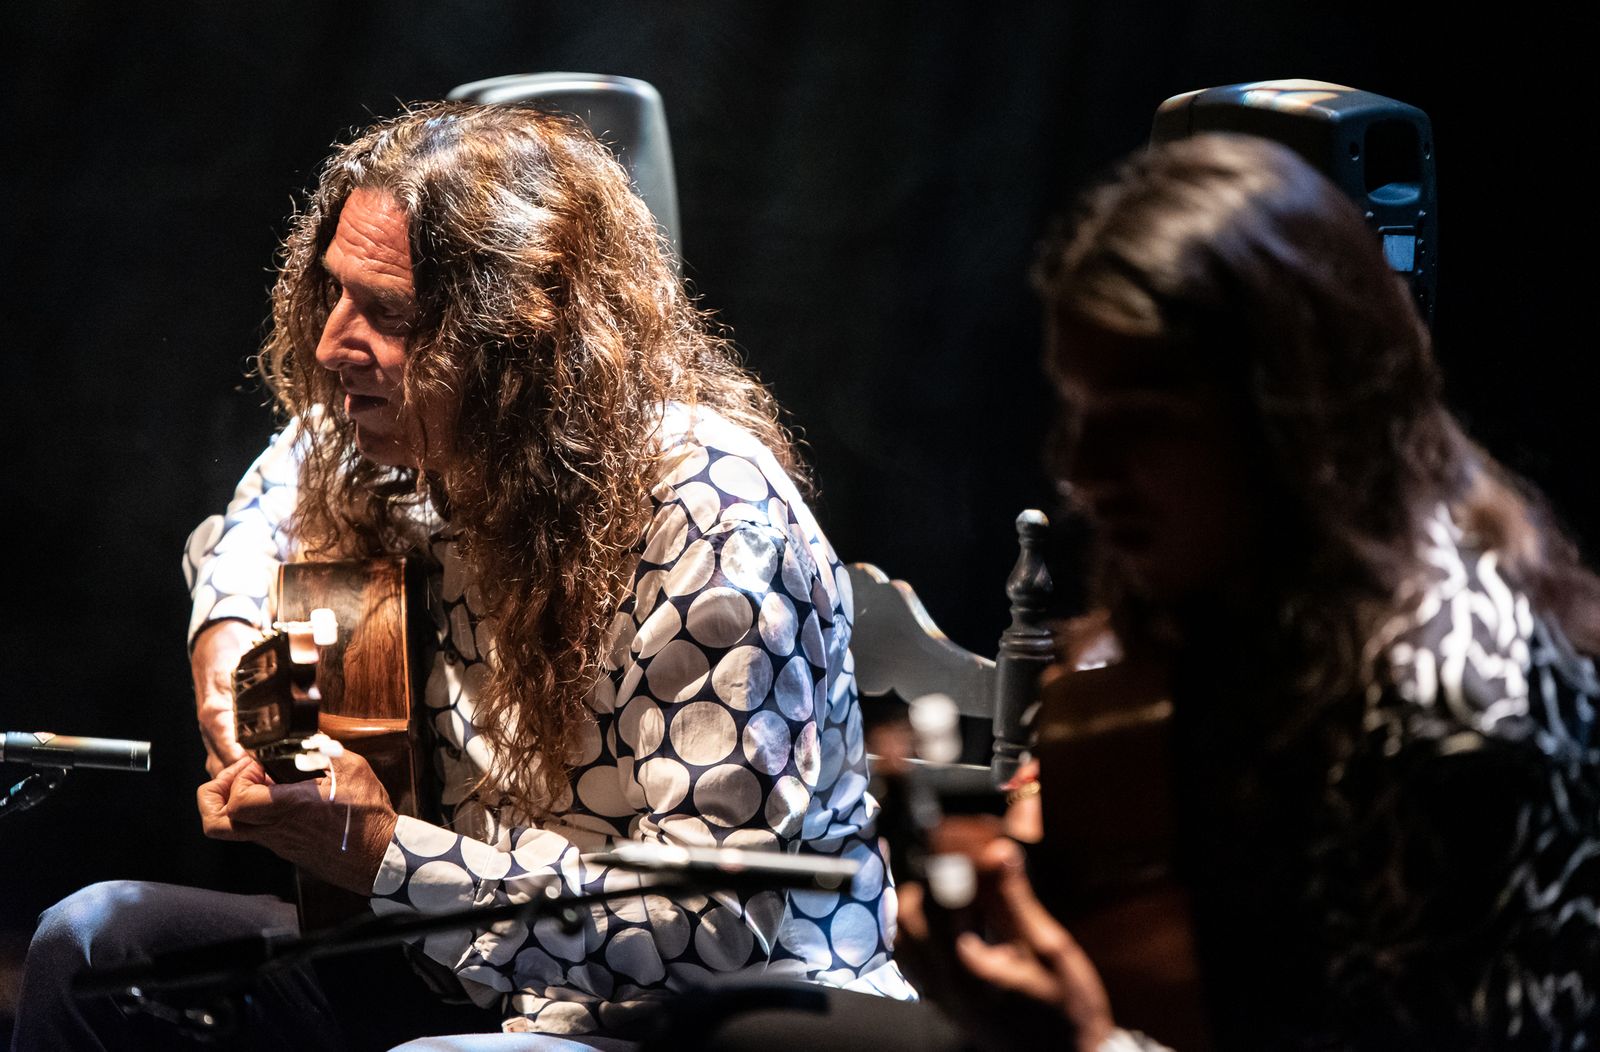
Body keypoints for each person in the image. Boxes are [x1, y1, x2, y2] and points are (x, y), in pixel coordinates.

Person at [13, 103, 911, 1051]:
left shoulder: (713, 521)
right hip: (465, 970)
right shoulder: (401, 441)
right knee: (94, 951)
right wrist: (231, 663)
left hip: (708, 1014)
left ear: (519, 344)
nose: (330, 345)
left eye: (388, 315)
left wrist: (385, 854)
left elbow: (709, 925)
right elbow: (262, 513)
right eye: (336, 295)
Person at [898, 133, 1599, 1050]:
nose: (1081, 469)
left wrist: (1085, 1048)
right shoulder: (1254, 609)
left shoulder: (1453, 713)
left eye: (1144, 425)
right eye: (1078, 414)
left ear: (1294, 425)